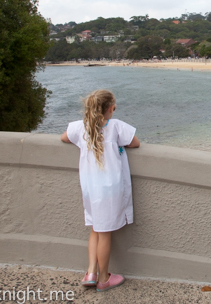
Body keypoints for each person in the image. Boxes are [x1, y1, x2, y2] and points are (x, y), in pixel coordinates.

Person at [60, 90, 141, 292]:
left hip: (90, 188)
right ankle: (104, 278)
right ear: (110, 108)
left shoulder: (81, 128)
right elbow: (135, 143)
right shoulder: (115, 127)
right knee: (104, 233)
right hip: (109, 189)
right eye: (114, 107)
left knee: (95, 228)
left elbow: (64, 138)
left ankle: (90, 272)